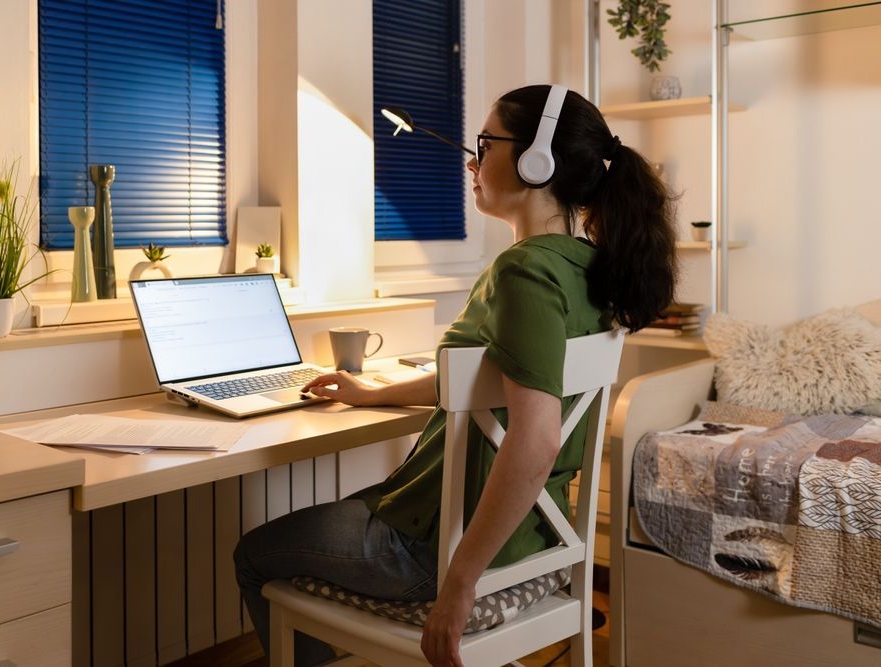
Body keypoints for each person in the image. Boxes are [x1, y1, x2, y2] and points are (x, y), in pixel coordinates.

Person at [234, 84, 676, 667]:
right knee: (349, 507)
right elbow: (485, 380)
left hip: (449, 551)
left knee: (255, 551)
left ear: (536, 161)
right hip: (536, 535)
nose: (473, 161)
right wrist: (376, 392)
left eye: (486, 144)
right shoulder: (587, 266)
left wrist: (458, 585)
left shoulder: (523, 272)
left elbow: (537, 438)